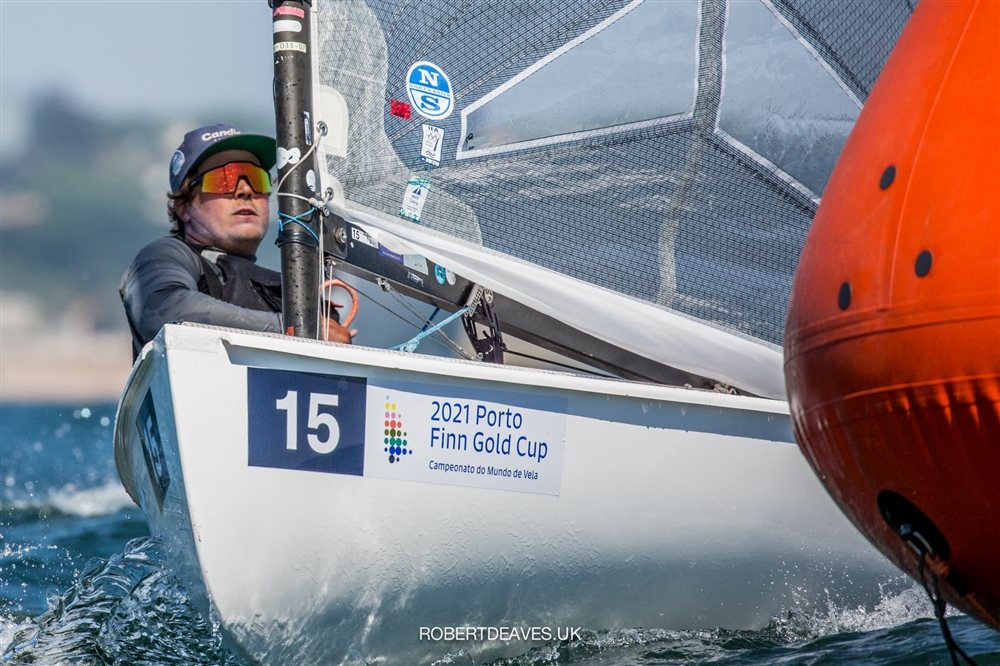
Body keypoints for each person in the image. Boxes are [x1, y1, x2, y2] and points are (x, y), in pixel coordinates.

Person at [120, 122, 354, 358]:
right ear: (183, 207)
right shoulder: (166, 255)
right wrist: (296, 330)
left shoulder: (282, 292)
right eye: (224, 179)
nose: (245, 191)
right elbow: (163, 312)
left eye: (257, 179)